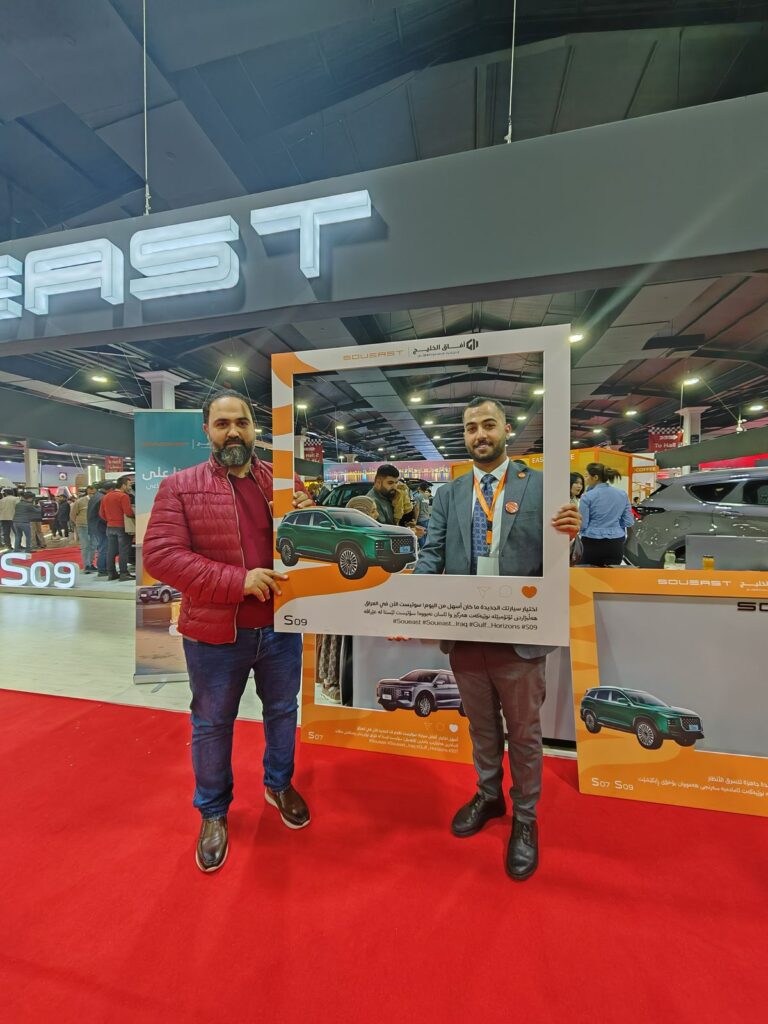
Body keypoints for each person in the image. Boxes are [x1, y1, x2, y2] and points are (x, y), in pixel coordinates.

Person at [143, 389, 314, 874]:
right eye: (222, 424)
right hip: (216, 635)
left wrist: (306, 514)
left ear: (255, 428)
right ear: (207, 431)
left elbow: (306, 551)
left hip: (282, 628)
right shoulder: (180, 486)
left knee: (282, 711)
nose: (233, 432)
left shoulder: (283, 482)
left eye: (242, 422)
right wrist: (237, 581)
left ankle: (278, 784)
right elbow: (160, 556)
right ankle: (213, 811)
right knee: (213, 723)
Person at [412, 397, 580, 882]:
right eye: (471, 428)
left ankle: (525, 818)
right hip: (466, 635)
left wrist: (574, 535)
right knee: (482, 728)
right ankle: (489, 796)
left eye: (488, 425)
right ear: (464, 436)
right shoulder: (450, 494)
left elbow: (561, 558)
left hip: (519, 638)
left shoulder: (542, 486)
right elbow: (432, 555)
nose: (480, 434)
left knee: (524, 733)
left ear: (507, 429)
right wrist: (410, 602)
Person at [577, 462, 634, 567]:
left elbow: (583, 524)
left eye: (586, 476)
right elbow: (628, 521)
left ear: (595, 477)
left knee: (589, 575)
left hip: (591, 542)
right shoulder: (622, 494)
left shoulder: (587, 496)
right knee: (612, 575)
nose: (585, 479)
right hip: (616, 543)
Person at [100, 475, 135, 581]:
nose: (130, 487)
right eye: (129, 485)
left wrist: (110, 520)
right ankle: (124, 573)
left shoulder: (106, 496)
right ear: (123, 485)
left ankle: (111, 573)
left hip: (110, 527)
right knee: (123, 551)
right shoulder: (123, 496)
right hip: (122, 527)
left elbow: (101, 514)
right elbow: (128, 512)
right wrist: (135, 515)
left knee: (111, 551)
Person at [88, 480, 113, 576]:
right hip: (100, 526)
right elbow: (102, 514)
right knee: (104, 547)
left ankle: (103, 568)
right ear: (110, 489)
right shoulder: (103, 498)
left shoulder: (95, 496)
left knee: (101, 547)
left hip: (94, 525)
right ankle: (102, 569)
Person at [72, 486, 96, 573]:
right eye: (91, 492)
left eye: (94, 492)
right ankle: (87, 565)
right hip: (83, 526)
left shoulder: (97, 501)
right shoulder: (80, 501)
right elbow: (73, 514)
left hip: (94, 526)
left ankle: (90, 564)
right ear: (87, 491)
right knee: (86, 545)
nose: (92, 493)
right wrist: (77, 523)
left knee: (94, 545)